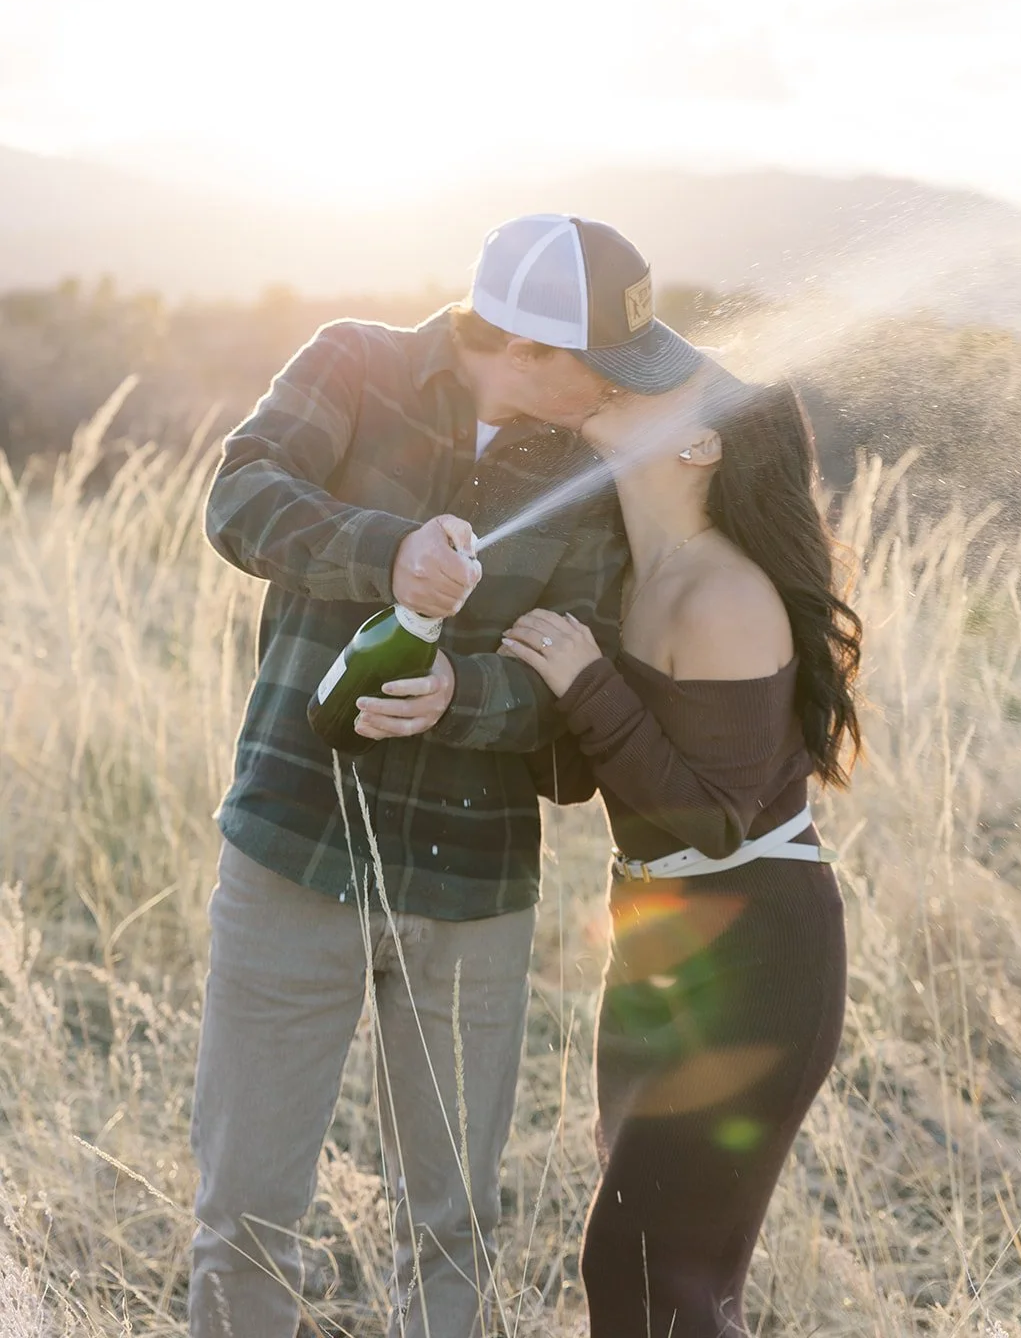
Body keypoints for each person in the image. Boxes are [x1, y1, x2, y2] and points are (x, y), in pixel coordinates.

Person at [189, 213, 706, 1338]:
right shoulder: (353, 363)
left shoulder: (584, 466)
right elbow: (237, 496)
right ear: (521, 346)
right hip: (291, 853)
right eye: (597, 366)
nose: (612, 390)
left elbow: (581, 678)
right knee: (246, 1221)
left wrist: (459, 699)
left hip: (473, 895)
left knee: (452, 1226)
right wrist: (385, 549)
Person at [499, 359, 861, 1338]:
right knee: (648, 1273)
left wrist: (585, 682)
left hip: (756, 963)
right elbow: (602, 779)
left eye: (666, 384)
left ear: (699, 445)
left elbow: (715, 820)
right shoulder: (633, 578)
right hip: (660, 948)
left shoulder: (721, 597)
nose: (624, 378)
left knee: (651, 1270)